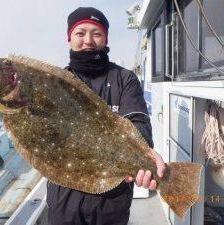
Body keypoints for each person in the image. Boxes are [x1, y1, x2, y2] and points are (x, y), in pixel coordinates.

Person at [47, 7, 165, 225]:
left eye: (97, 33)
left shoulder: (125, 78)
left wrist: (144, 153)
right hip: (65, 193)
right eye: (80, 33)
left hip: (113, 195)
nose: (88, 40)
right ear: (69, 38)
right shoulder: (55, 83)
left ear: (106, 38)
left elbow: (137, 121)